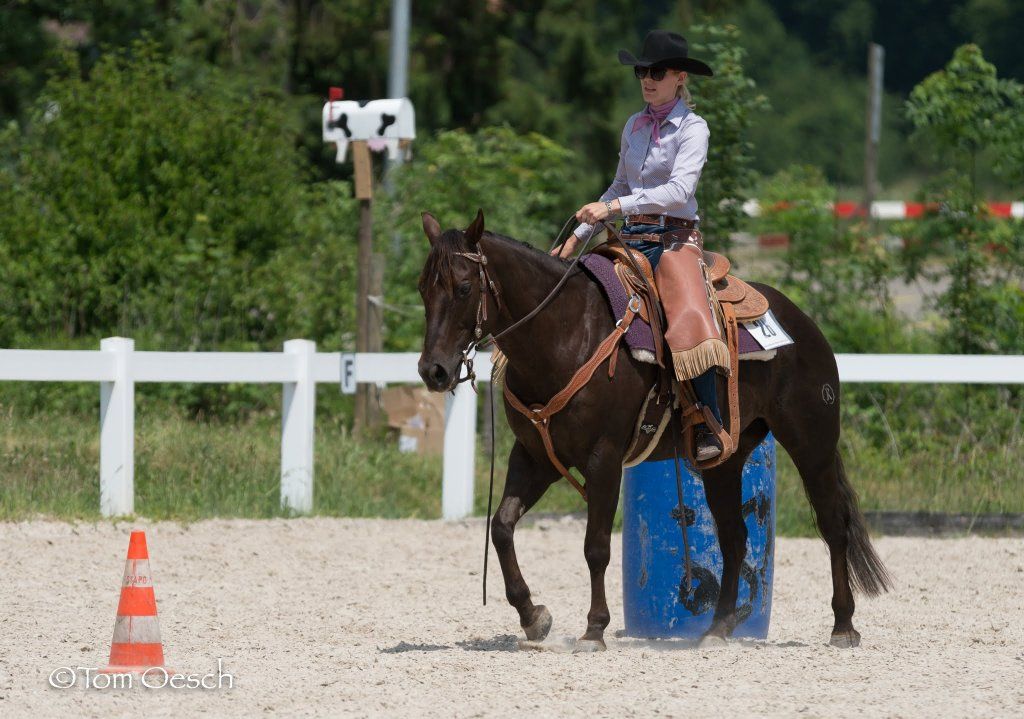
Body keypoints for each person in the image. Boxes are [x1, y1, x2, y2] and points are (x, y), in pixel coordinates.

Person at [554, 29, 724, 461]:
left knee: (689, 312)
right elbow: (618, 185)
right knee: (577, 297)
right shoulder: (634, 124)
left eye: (657, 71)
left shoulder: (693, 129)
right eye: (641, 71)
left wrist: (613, 208)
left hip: (674, 239)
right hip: (630, 238)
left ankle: (707, 419)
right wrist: (576, 237)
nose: (647, 79)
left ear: (679, 77)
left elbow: (678, 191)